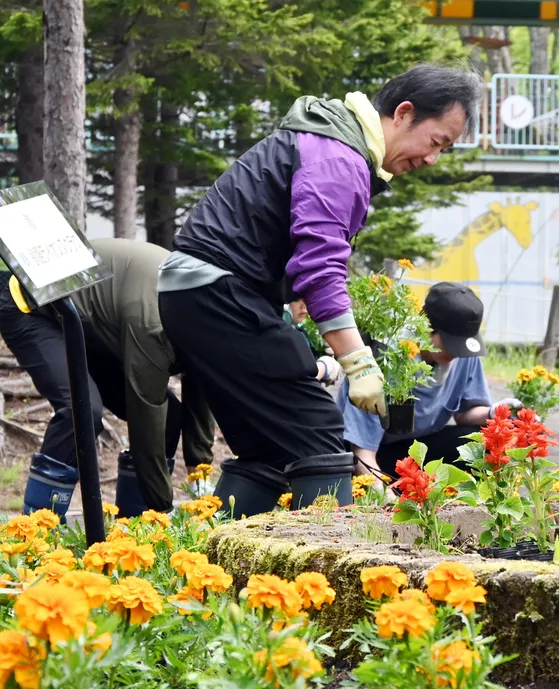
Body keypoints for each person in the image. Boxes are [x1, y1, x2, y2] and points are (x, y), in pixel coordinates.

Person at [156, 63, 483, 516]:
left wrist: (292, 308)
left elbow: (295, 251)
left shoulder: (334, 142)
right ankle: (332, 569)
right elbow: (321, 266)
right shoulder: (339, 157)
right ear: (405, 113)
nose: (432, 159)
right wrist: (357, 361)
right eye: (436, 143)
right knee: (318, 429)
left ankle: (206, 563)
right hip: (218, 293)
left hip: (201, 293)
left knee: (269, 446)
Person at [0, 238, 216, 519]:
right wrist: (162, 509)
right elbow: (146, 409)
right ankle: (36, 532)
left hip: (94, 324)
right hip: (30, 305)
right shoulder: (154, 321)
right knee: (82, 411)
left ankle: (134, 527)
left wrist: (200, 470)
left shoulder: (206, 322)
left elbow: (200, 385)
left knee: (172, 415)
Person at [339, 282, 520, 479]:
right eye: (452, 343)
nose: (455, 353)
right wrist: (383, 495)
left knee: (485, 438)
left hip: (418, 449)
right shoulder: (385, 354)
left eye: (462, 346)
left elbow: (464, 415)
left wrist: (498, 412)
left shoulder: (464, 355)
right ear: (425, 326)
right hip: (367, 454)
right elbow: (362, 452)